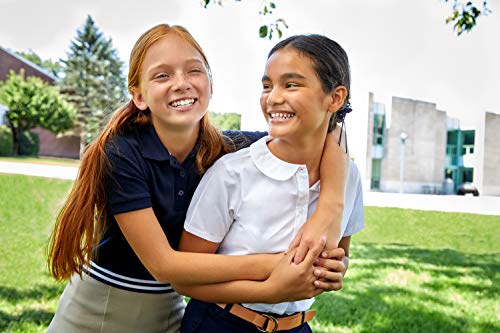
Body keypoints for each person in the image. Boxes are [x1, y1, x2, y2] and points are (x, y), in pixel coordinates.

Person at [46, 24, 351, 333]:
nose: (181, 84)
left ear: (210, 83)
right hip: (102, 308)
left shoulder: (224, 148)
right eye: (162, 75)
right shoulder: (122, 153)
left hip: (170, 309)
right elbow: (164, 265)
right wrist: (287, 267)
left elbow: (326, 132)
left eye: (194, 71)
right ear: (139, 96)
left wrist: (330, 208)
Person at [176, 34, 364, 333]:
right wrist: (271, 287)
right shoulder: (232, 174)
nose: (273, 97)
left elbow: (341, 255)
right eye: (267, 85)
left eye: (291, 84)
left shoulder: (348, 178)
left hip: (296, 327)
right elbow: (185, 277)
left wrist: (335, 270)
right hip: (221, 323)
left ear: (335, 98)